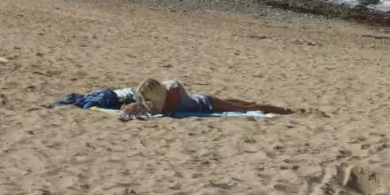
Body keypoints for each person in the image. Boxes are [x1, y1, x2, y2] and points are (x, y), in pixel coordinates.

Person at [119, 77, 293, 118]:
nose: (144, 100)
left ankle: (282, 110)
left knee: (246, 108)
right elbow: (147, 107)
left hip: (206, 104)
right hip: (201, 99)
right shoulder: (159, 98)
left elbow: (164, 111)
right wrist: (135, 107)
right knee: (239, 103)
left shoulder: (171, 93)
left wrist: (140, 108)